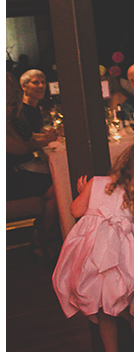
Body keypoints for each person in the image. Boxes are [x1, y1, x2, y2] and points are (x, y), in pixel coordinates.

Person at [51, 142, 134, 352]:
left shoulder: (96, 183)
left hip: (96, 255)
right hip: (125, 257)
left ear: (123, 161)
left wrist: (85, 194)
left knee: (104, 310)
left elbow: (75, 210)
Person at [7, 73, 58, 254]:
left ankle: (50, 233)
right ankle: (41, 240)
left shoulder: (9, 111)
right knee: (56, 188)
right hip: (10, 178)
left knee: (56, 177)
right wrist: (45, 141)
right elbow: (19, 148)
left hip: (14, 170)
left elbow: (22, 139)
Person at [19, 69, 49, 133]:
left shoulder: (38, 107)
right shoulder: (19, 111)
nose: (41, 86)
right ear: (23, 86)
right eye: (35, 82)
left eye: (43, 82)